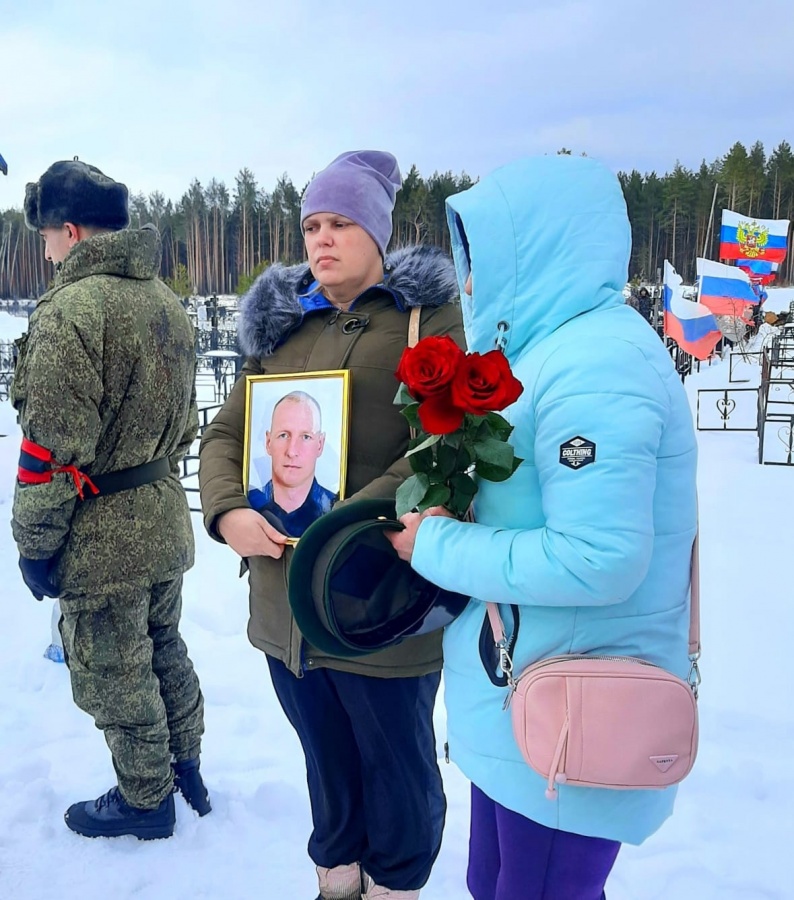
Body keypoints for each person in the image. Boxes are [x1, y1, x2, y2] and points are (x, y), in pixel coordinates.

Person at [388, 155, 698, 900]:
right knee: (493, 883)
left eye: (481, 255)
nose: (467, 279)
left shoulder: (598, 364)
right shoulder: (557, 352)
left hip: (574, 707)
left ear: (537, 249)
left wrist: (437, 543)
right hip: (531, 695)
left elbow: (599, 559)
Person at [199, 150, 465, 900]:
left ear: (378, 232)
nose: (322, 238)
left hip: (374, 598)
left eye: (342, 222)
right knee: (325, 759)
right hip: (285, 608)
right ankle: (336, 882)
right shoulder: (283, 330)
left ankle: (394, 886)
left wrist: (339, 526)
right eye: (312, 223)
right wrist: (228, 512)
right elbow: (225, 437)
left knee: (398, 769)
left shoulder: (431, 322)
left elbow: (443, 448)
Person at [12, 160, 210, 840]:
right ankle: (186, 768)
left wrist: (34, 546)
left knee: (111, 668)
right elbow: (185, 424)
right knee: (162, 646)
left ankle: (145, 798)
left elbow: (51, 449)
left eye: (45, 237)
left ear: (70, 231)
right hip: (159, 513)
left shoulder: (72, 311)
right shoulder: (163, 300)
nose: (44, 250)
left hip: (105, 535)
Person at [248, 391, 337, 537]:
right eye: (283, 435)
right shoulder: (248, 506)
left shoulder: (337, 509)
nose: (292, 451)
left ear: (320, 445)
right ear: (268, 442)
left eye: (306, 437)